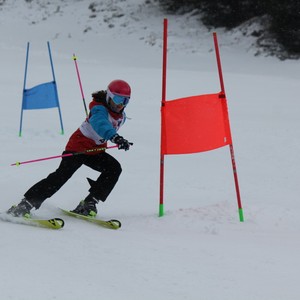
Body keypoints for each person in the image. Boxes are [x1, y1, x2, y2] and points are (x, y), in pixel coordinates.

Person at [7, 79, 133, 218]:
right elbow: (101, 124)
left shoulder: (121, 116)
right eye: (118, 99)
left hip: (94, 151)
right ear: (109, 96)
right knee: (61, 176)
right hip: (77, 148)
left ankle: (89, 202)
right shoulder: (99, 110)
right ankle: (26, 204)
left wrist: (119, 140)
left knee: (114, 168)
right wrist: (115, 137)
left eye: (125, 101)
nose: (120, 104)